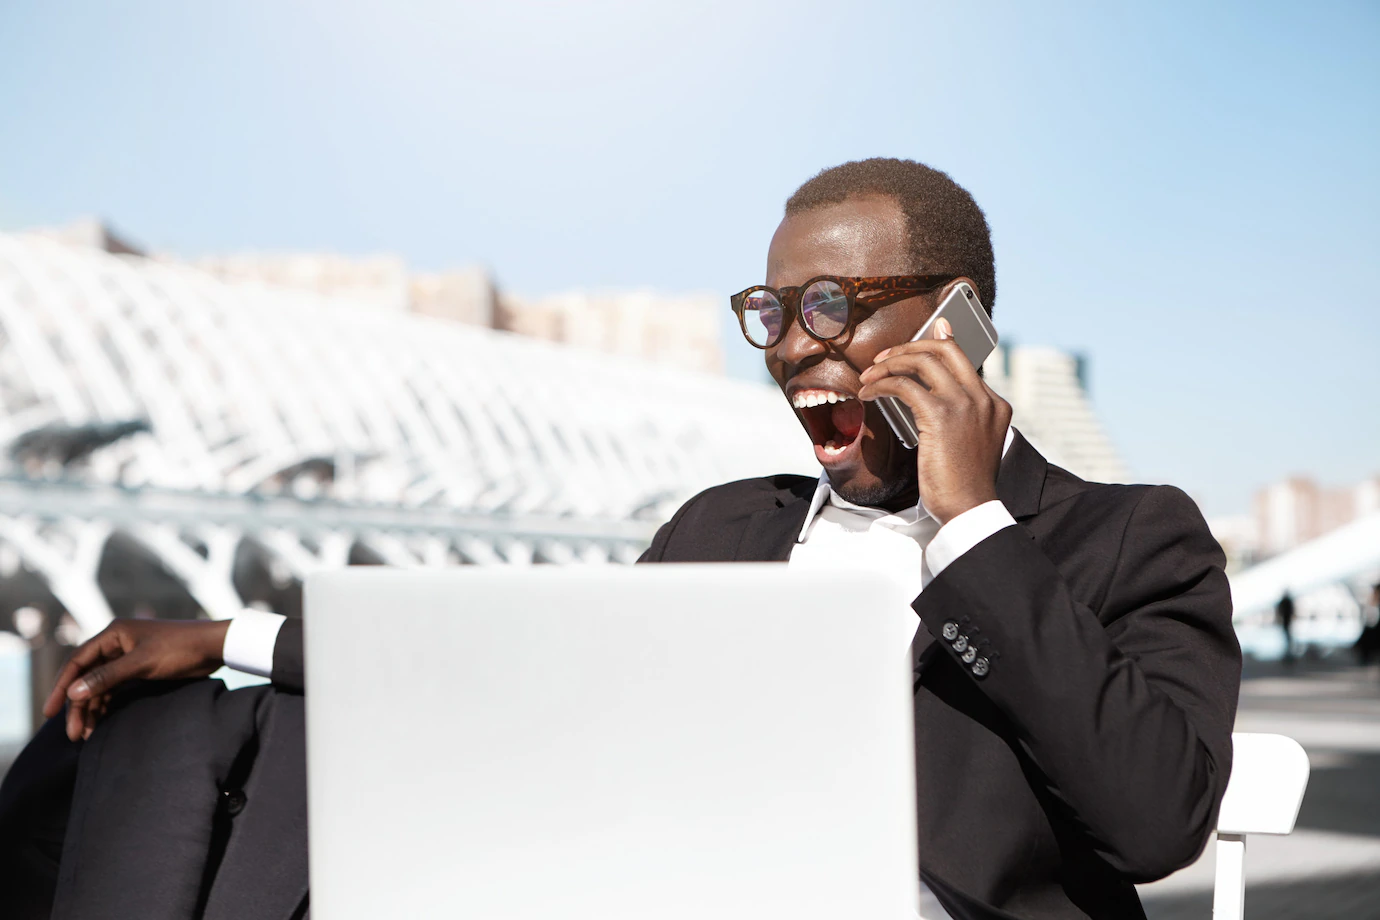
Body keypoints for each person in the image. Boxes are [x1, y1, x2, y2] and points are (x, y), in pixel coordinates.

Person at [25, 158, 1242, 920]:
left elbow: (1151, 821)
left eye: (835, 305)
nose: (795, 343)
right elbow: (521, 663)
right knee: (197, 729)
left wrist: (972, 524)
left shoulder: (1128, 537)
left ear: (961, 320)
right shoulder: (724, 525)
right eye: (772, 311)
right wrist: (225, 635)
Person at [1276, 590, 1296, 664]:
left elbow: (1280, 611)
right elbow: (1291, 611)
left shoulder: (1285, 602)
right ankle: (1288, 654)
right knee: (1288, 639)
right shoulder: (1287, 602)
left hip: (1286, 622)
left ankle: (1288, 654)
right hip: (1287, 622)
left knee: (1287, 639)